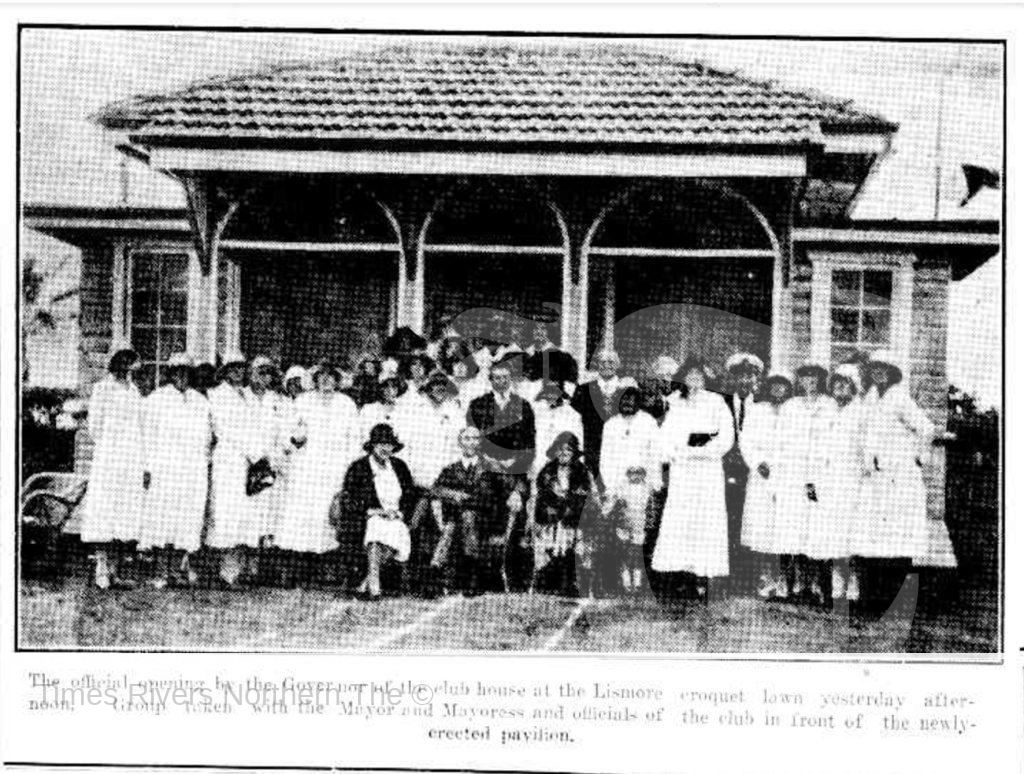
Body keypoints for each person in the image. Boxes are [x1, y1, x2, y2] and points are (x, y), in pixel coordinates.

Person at [850, 350, 937, 610]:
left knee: (898, 537)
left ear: (892, 372)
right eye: (874, 368)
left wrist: (917, 458)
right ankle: (872, 598)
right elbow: (865, 435)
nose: (878, 373)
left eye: (883, 369)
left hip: (899, 479)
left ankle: (894, 599)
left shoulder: (899, 398)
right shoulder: (871, 398)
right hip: (876, 479)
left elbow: (926, 429)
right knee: (873, 536)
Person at [651, 356, 735, 601]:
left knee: (705, 520)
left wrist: (704, 451)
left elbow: (726, 436)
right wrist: (680, 452)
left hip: (707, 471)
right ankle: (680, 577)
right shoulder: (674, 402)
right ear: (684, 377)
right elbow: (665, 437)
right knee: (681, 520)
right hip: (683, 470)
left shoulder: (716, 401)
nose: (695, 380)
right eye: (690, 375)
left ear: (706, 377)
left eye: (699, 375)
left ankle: (703, 577)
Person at [278, 362, 360, 584]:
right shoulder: (302, 401)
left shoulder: (347, 404)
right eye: (321, 377)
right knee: (303, 517)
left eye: (330, 376)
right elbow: (289, 435)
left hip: (335, 468)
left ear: (337, 380)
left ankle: (326, 572)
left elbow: (354, 440)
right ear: (314, 380)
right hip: (306, 467)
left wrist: (349, 470)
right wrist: (297, 438)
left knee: (330, 518)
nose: (326, 380)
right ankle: (297, 571)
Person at [137, 353, 212, 588]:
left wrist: (204, 463)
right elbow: (146, 436)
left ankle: (180, 569)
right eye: (177, 371)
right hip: (165, 467)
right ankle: (161, 572)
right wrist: (148, 466)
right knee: (163, 518)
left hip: (192, 469)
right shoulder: (157, 399)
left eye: (186, 372)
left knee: (187, 519)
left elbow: (207, 437)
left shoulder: (200, 401)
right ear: (170, 374)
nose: (182, 376)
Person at [79, 348, 147, 589]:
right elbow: (94, 428)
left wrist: (139, 459)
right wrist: (113, 447)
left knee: (124, 515)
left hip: (131, 460)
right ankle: (101, 570)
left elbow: (140, 427)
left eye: (132, 361)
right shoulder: (102, 389)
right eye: (125, 361)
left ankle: (115, 571)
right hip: (109, 460)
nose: (129, 366)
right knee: (105, 513)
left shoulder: (134, 391)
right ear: (116, 362)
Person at [466, 358, 536, 589]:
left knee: (517, 509)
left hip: (515, 471)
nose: (501, 381)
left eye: (506, 377)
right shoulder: (478, 405)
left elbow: (529, 444)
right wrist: (493, 462)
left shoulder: (523, 406)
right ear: (490, 380)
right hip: (487, 470)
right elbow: (474, 441)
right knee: (483, 509)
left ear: (511, 379)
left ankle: (513, 575)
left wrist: (514, 467)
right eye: (497, 377)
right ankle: (482, 574)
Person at [333, 423, 419, 600]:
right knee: (376, 527)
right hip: (369, 516)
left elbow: (410, 496)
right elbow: (350, 497)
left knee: (396, 531)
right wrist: (375, 511)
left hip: (396, 517)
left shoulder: (399, 466)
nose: (385, 448)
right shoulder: (359, 467)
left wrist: (399, 513)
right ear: (372, 445)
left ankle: (367, 581)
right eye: (381, 444)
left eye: (389, 444)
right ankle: (375, 585)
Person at [776, 362, 836, 605]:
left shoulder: (829, 406)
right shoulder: (791, 406)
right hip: (793, 475)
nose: (809, 382)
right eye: (804, 378)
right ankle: (792, 588)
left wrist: (819, 476)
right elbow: (781, 441)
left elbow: (832, 443)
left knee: (817, 532)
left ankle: (819, 589)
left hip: (818, 478)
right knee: (792, 531)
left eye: (814, 378)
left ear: (821, 380)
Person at [206, 352, 264, 587]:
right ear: (226, 371)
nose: (238, 372)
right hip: (229, 459)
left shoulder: (249, 396)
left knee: (244, 514)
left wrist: (258, 456)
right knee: (228, 513)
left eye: (241, 368)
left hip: (248, 462)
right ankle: (226, 572)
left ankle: (239, 570)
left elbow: (256, 427)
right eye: (233, 368)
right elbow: (225, 429)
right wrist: (252, 453)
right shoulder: (217, 395)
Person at [415, 426, 494, 596]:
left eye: (475, 439)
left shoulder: (488, 469)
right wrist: (453, 494)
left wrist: (462, 500)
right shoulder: (451, 469)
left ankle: (449, 573)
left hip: (482, 519)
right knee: (451, 523)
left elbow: (487, 497)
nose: (471, 443)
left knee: (463, 518)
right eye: (467, 439)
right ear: (460, 443)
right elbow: (436, 489)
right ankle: (438, 575)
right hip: (454, 517)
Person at [813, 364, 867, 603]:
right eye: (837, 383)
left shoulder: (862, 412)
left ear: (854, 387)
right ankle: (837, 583)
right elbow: (816, 446)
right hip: (829, 480)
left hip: (853, 480)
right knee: (833, 533)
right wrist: (812, 479)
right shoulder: (826, 411)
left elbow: (868, 447)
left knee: (852, 533)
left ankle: (853, 582)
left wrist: (866, 474)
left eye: (846, 384)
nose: (840, 388)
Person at [739, 372, 794, 599]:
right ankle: (765, 577)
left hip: (787, 475)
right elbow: (746, 441)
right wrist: (757, 462)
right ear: (768, 387)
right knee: (761, 527)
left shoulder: (794, 411)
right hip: (762, 475)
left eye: (783, 385)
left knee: (783, 528)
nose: (778, 389)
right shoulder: (757, 410)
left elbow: (799, 442)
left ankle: (782, 579)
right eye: (774, 385)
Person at [531, 432, 596, 596]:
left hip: (574, 519)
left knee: (573, 536)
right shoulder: (547, 471)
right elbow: (541, 496)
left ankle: (572, 580)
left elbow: (584, 498)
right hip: (550, 518)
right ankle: (547, 579)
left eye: (568, 449)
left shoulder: (582, 472)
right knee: (547, 536)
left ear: (574, 452)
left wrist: (566, 509)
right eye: (560, 449)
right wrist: (551, 510)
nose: (564, 453)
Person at [722, 351, 764, 592]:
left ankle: (750, 577)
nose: (745, 381)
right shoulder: (724, 403)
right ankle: (730, 575)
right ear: (733, 379)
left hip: (755, 470)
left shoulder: (762, 403)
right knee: (730, 517)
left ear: (756, 378)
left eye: (750, 376)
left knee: (752, 520)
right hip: (727, 467)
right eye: (740, 376)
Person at [570, 349, 636, 476]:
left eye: (611, 362)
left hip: (619, 448)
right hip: (591, 448)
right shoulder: (584, 389)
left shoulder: (627, 390)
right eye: (602, 362)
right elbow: (574, 420)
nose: (606, 365)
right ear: (597, 365)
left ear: (617, 365)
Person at [397, 370, 462, 489]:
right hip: (419, 474)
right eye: (436, 385)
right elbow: (405, 443)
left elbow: (458, 443)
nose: (440, 388)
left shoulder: (454, 410)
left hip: (445, 476)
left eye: (443, 385)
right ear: (428, 388)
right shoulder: (415, 409)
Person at [599, 386, 660, 495]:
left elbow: (655, 455)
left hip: (643, 482)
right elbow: (605, 458)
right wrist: (610, 485)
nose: (627, 403)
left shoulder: (649, 422)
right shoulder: (610, 425)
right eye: (624, 400)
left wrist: (654, 483)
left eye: (631, 400)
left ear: (638, 403)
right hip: (617, 484)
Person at [609, 465, 655, 595]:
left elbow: (650, 509)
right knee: (624, 553)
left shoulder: (648, 488)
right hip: (624, 524)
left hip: (640, 524)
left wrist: (647, 525)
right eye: (632, 473)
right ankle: (626, 583)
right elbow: (618, 507)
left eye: (638, 473)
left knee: (637, 554)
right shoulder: (622, 488)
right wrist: (622, 520)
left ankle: (638, 583)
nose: (635, 476)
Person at [531, 380, 584, 479]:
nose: (551, 395)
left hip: (562, 463)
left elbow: (575, 442)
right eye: (548, 391)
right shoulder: (538, 412)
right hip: (539, 461)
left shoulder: (571, 414)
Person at [523, 321, 579, 396]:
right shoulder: (526, 355)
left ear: (548, 332)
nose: (539, 332)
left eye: (543, 329)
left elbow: (571, 382)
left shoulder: (561, 357)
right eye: (536, 329)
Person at [359, 375, 407, 440]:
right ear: (381, 389)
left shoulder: (402, 411)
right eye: (386, 387)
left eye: (394, 387)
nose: (390, 391)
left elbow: (404, 436)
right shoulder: (368, 409)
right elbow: (363, 434)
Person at [638, 355, 679, 424]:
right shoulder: (647, 397)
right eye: (661, 376)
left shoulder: (680, 397)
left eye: (669, 375)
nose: (665, 379)